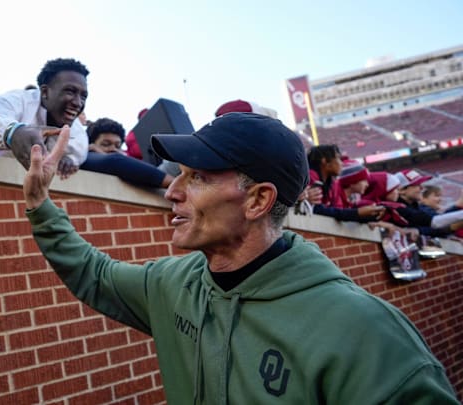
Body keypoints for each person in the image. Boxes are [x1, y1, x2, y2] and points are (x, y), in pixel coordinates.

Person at [22, 113, 458, 404]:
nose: (172, 191)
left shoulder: (364, 332)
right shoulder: (172, 283)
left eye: (197, 177)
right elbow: (94, 274)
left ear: (257, 201)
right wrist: (42, 205)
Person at [0, 58, 89, 179]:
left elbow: (79, 153)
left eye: (83, 96)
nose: (78, 103)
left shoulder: (77, 132)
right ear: (44, 92)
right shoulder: (18, 100)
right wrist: (13, 132)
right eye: (70, 92)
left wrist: (70, 159)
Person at [80, 117, 174, 188]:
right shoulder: (83, 157)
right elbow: (114, 161)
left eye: (118, 146)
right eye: (106, 144)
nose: (113, 149)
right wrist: (177, 184)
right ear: (91, 145)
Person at [305, 144, 385, 222]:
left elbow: (336, 212)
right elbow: (317, 209)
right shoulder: (312, 176)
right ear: (324, 161)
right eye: (338, 158)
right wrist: (357, 212)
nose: (342, 163)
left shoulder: (330, 183)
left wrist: (367, 216)